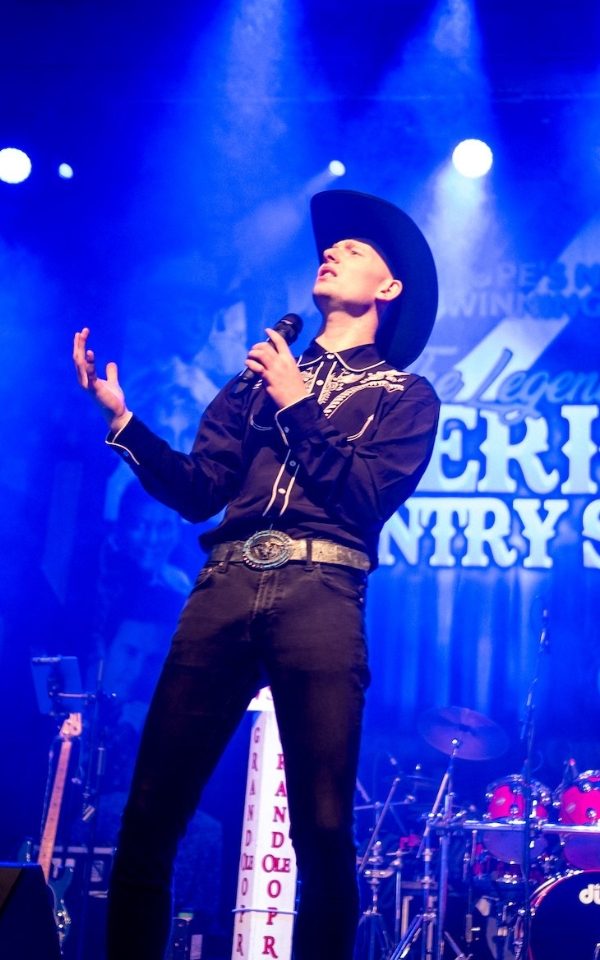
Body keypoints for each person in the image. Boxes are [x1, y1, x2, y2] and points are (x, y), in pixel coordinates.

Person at [72, 189, 440, 960]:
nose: (331, 252)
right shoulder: (256, 381)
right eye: (328, 247)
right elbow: (200, 489)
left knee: (325, 826)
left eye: (355, 251)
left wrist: (300, 404)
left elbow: (364, 496)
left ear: (389, 288)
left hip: (321, 591)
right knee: (151, 812)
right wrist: (123, 423)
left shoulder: (405, 395)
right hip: (226, 584)